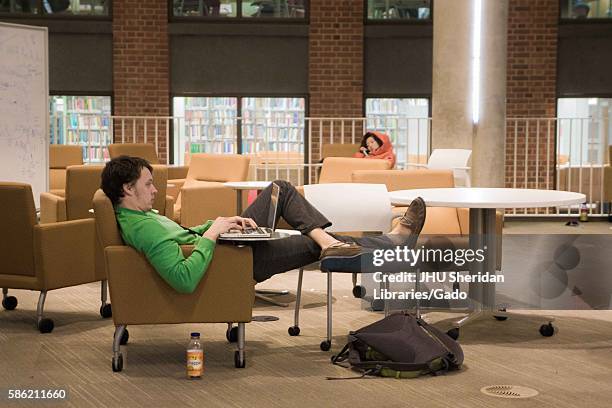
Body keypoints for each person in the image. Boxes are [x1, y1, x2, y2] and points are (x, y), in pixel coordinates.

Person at [99, 156, 426, 293]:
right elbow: (184, 280)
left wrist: (217, 224)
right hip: (235, 261)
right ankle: (384, 245)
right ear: (127, 189)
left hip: (229, 246)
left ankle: (334, 244)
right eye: (148, 184)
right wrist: (214, 234)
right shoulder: (143, 227)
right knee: (316, 243)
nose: (156, 190)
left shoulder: (139, 216)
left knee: (280, 189)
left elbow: (184, 237)